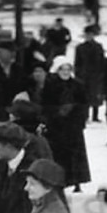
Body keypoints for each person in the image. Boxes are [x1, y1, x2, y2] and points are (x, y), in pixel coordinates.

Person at [42, 56, 91, 192]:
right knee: (57, 155)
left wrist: (78, 117)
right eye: (62, 69)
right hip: (56, 126)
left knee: (75, 156)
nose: (65, 72)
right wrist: (56, 112)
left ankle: (76, 182)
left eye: (68, 69)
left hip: (73, 126)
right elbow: (46, 104)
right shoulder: (51, 84)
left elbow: (84, 104)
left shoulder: (78, 85)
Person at [74, 25, 105, 123]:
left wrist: (101, 74)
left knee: (95, 95)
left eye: (90, 34)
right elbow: (77, 62)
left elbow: (102, 61)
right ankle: (85, 116)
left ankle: (95, 116)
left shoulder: (98, 47)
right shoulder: (80, 47)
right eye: (87, 35)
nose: (88, 36)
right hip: (84, 75)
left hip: (95, 75)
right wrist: (78, 74)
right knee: (85, 96)